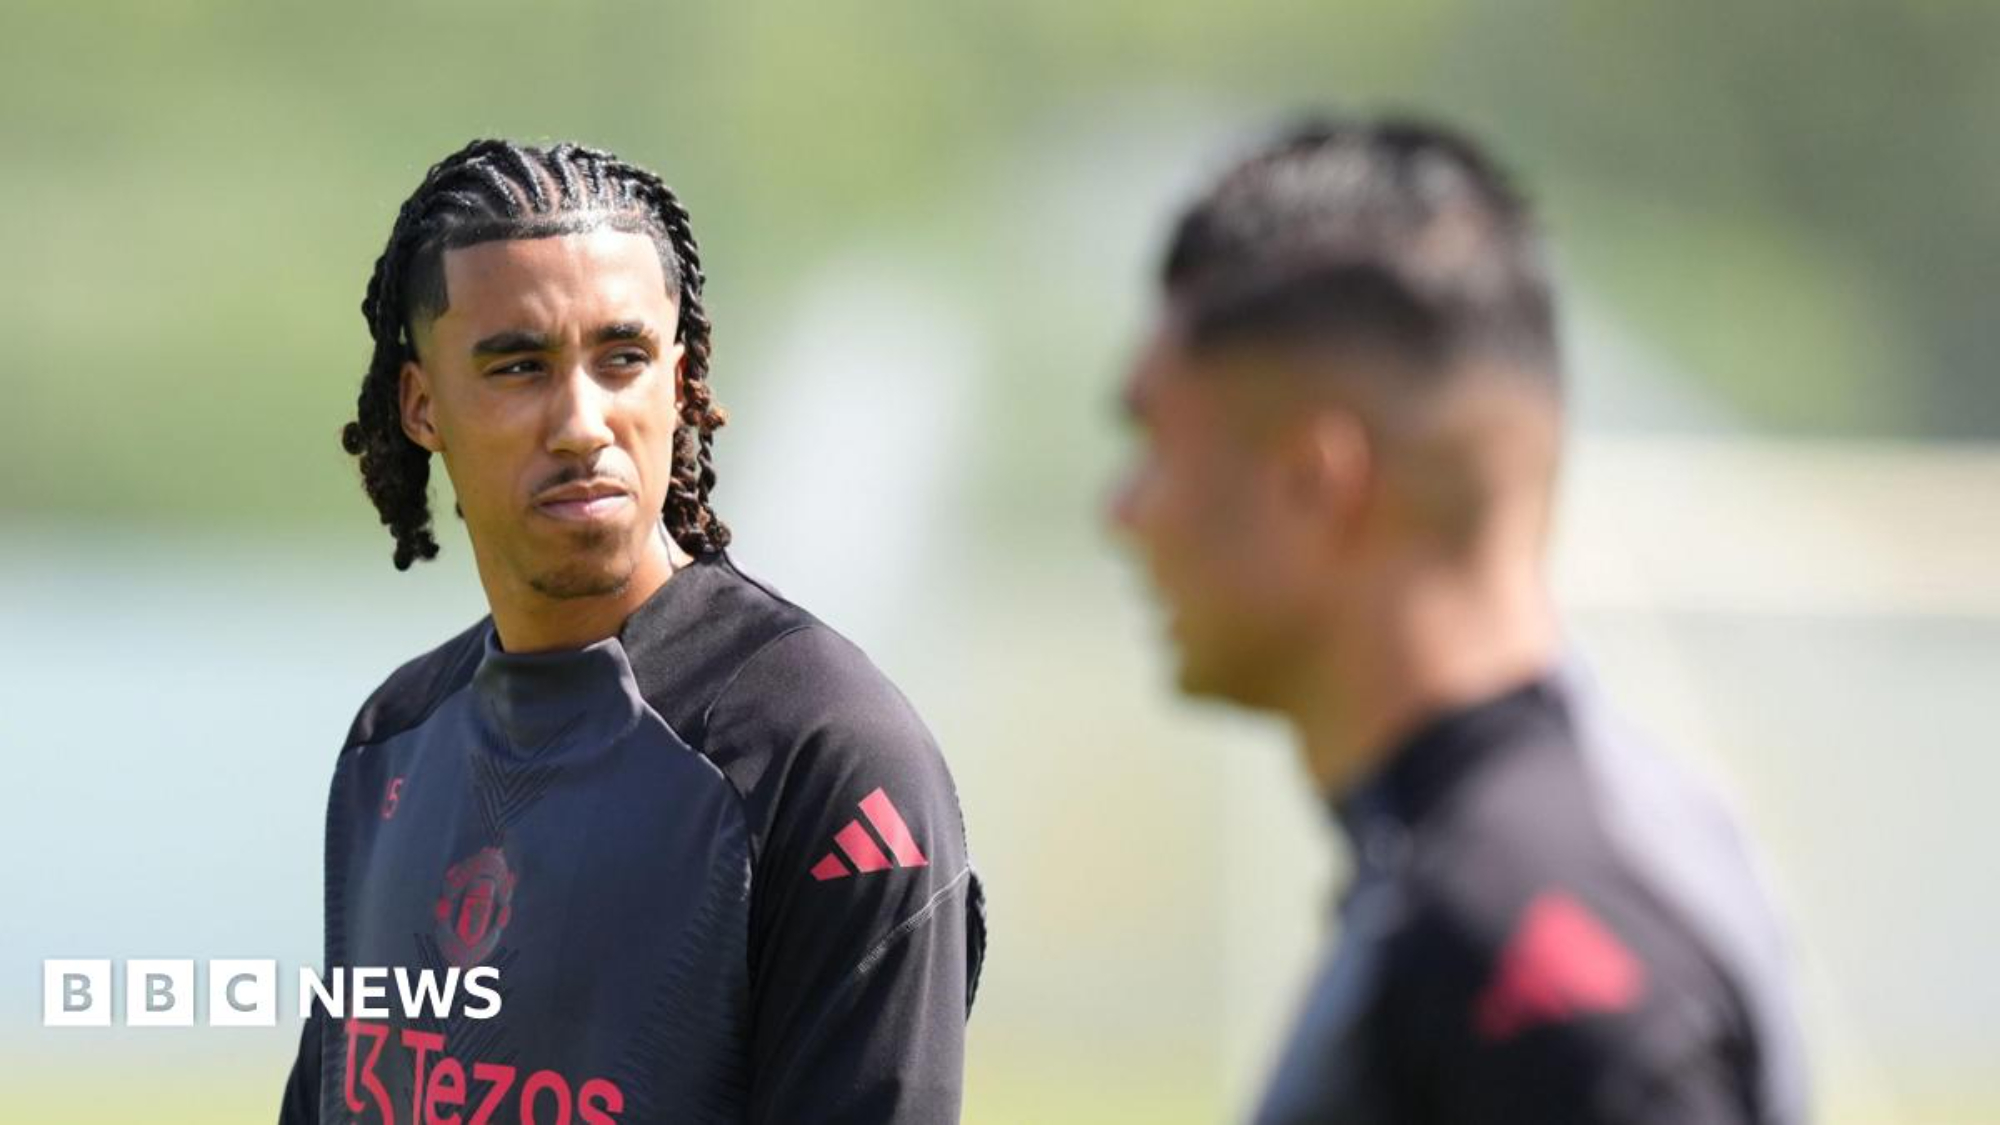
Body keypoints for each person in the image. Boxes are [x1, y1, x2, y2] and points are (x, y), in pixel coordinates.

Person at [1108, 117, 1806, 1123]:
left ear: (1317, 482)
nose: (1123, 511)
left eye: (1154, 447)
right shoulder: (1480, 868)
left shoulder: (1525, 934)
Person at [278, 139, 985, 1124]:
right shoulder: (391, 739)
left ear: (679, 383)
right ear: (422, 405)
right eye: (518, 366)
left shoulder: (825, 755)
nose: (582, 423)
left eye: (622, 360)